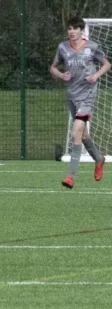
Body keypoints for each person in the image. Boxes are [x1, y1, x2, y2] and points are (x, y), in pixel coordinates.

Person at [50, 16, 111, 189]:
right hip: (71, 95)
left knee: (76, 132)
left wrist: (96, 76)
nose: (71, 32)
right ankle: (99, 159)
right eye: (69, 29)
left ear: (81, 30)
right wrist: (61, 75)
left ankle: (70, 176)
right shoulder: (62, 47)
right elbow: (53, 67)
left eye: (75, 28)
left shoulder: (92, 47)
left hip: (87, 95)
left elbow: (106, 65)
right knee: (83, 136)